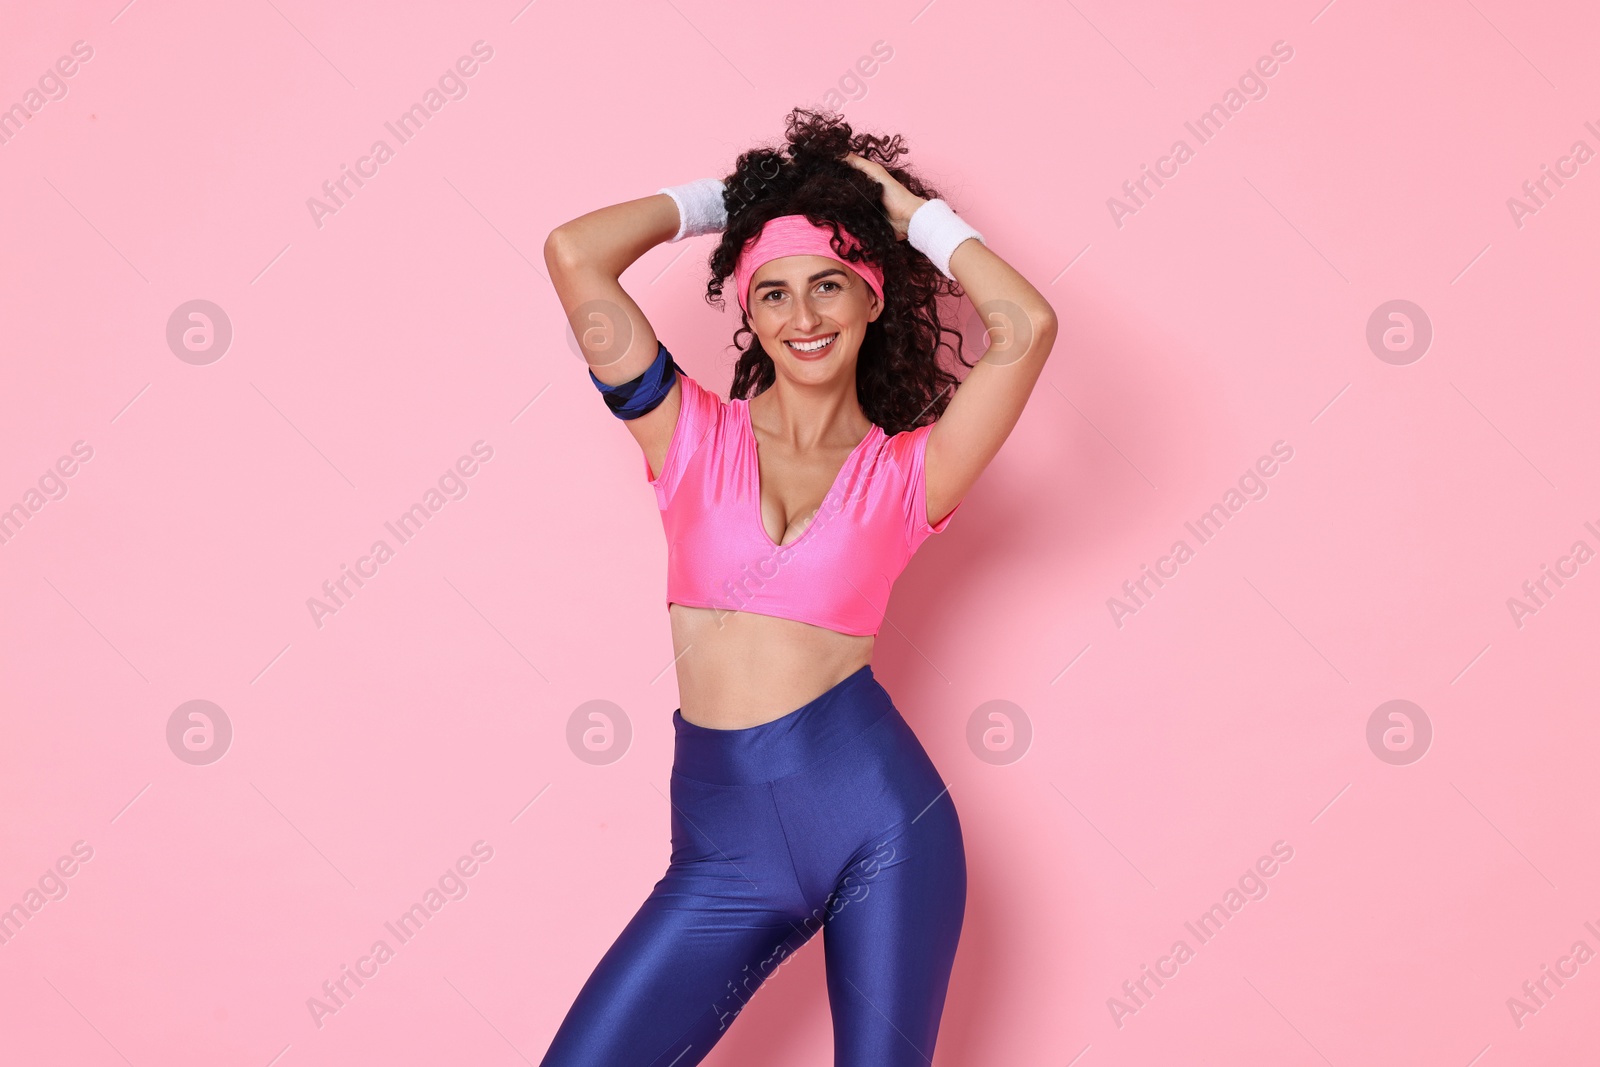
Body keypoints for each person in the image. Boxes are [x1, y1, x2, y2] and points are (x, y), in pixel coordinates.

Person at [539, 108, 1058, 1066]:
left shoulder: (910, 476)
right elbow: (574, 254)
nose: (803, 317)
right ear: (747, 310)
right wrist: (732, 201)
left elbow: (1026, 327)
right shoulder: (687, 438)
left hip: (884, 830)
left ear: (872, 299)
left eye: (829, 285)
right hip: (722, 853)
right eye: (772, 293)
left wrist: (914, 215)